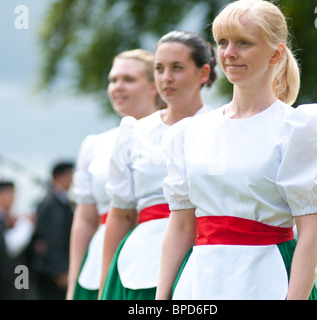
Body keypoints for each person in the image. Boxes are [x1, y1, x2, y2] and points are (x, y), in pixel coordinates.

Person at [156, 0, 317, 300]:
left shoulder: (295, 127)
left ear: (276, 53)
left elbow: (312, 232)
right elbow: (180, 226)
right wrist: (161, 299)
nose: (229, 53)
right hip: (199, 284)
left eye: (244, 42)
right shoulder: (189, 133)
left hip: (269, 281)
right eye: (223, 42)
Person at [99, 30, 217, 300]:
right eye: (159, 69)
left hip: (205, 255)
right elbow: (121, 215)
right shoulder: (134, 133)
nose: (166, 78)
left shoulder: (221, 128)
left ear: (203, 73)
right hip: (139, 263)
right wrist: (105, 285)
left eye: (177, 68)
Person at [66, 49, 164, 300]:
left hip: (154, 258)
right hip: (97, 264)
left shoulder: (174, 133)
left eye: (129, 79)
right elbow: (85, 219)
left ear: (154, 86)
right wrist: (72, 284)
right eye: (113, 80)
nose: (118, 87)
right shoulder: (95, 144)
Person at [31, 161, 74, 299]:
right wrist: (59, 270)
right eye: (69, 174)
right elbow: (51, 238)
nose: (72, 179)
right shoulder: (50, 204)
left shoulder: (63, 202)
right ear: (58, 176)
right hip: (53, 274)